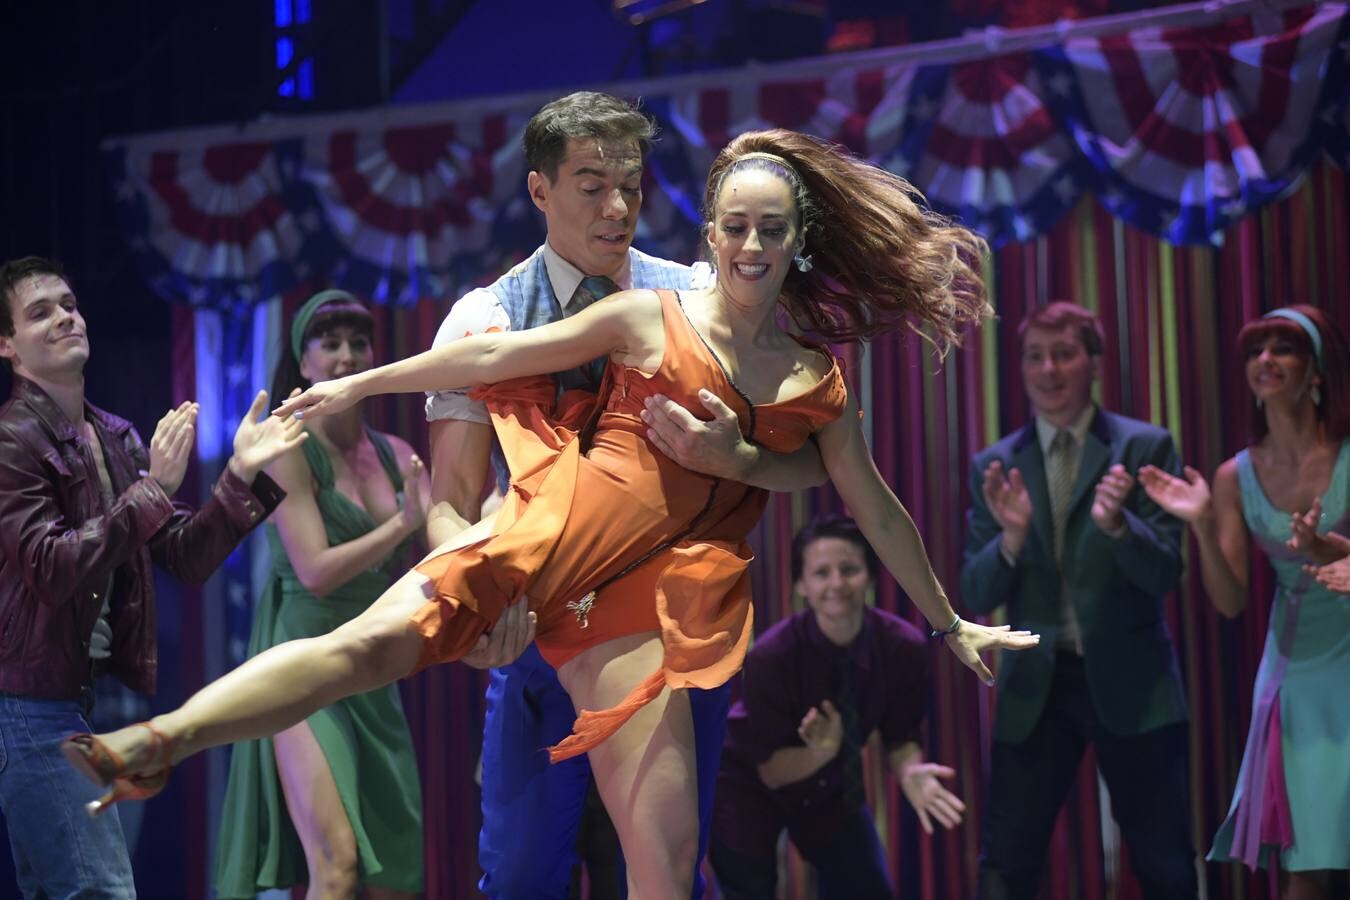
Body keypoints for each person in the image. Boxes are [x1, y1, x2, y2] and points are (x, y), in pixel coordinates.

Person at [66, 128, 1038, 898]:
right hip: (533, 541)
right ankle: (164, 739)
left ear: (798, 242)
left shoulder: (813, 380)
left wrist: (947, 619)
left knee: (664, 864)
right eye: (734, 225)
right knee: (359, 653)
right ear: (709, 234)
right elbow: (491, 362)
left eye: (770, 229)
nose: (749, 244)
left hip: (635, 608)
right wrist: (364, 379)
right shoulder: (646, 316)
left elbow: (874, 507)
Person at [422, 91, 794, 898]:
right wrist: (473, 605)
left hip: (669, 629)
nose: (618, 206)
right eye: (592, 184)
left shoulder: (698, 297)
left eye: (631, 184)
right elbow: (451, 501)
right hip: (537, 631)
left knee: (664, 869)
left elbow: (795, 450)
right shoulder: (483, 318)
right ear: (538, 191)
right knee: (518, 874)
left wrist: (738, 455)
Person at [0, 255, 301, 899]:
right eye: (39, 312)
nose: (64, 318)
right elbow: (51, 569)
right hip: (31, 708)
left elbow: (185, 557)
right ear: (8, 346)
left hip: (93, 702)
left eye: (69, 305)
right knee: (100, 891)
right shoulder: (11, 440)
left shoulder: (115, 436)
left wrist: (241, 476)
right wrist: (153, 490)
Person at [960, 301, 1197, 899]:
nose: (1049, 369)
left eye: (1064, 354)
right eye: (1035, 357)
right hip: (1037, 683)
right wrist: (1011, 540)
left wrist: (1120, 527)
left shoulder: (1145, 447)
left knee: (1164, 861)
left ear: (1093, 362)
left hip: (1133, 681)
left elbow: (1167, 572)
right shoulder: (995, 463)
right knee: (1006, 866)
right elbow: (975, 591)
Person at [213, 290, 429, 899]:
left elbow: (443, 539)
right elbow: (314, 571)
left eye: (358, 343)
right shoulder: (289, 450)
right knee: (335, 865)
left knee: (394, 873)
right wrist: (400, 526)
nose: (346, 356)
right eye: (328, 344)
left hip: (374, 661)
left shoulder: (399, 456)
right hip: (303, 660)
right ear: (302, 364)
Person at [1138, 305, 1350, 899]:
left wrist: (1331, 549)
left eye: (1284, 348)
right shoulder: (1236, 475)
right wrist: (1203, 523)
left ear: (1316, 370)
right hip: (1295, 674)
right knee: (1309, 856)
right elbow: (1229, 601)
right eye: (1257, 351)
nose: (1266, 360)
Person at [709, 515, 965, 899]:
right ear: (801, 585)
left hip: (828, 782)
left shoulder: (902, 647)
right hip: (748, 788)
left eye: (849, 570)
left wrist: (911, 771)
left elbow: (900, 736)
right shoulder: (771, 657)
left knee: (868, 889)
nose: (836, 584)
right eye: (821, 573)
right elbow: (770, 770)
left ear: (871, 576)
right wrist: (821, 751)